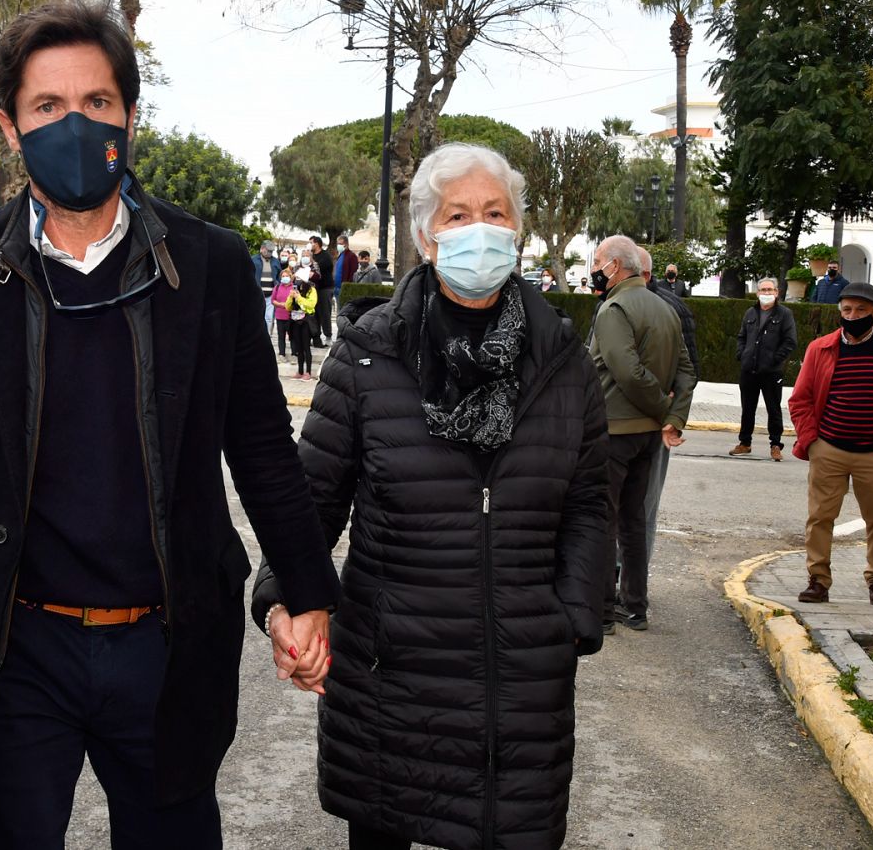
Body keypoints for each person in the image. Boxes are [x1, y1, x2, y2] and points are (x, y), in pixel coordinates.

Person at [0, 0, 340, 850]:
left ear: (129, 117)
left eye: (97, 104)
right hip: (10, 645)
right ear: (11, 127)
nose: (74, 125)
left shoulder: (211, 265)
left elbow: (262, 446)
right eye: (47, 107)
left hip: (165, 643)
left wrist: (306, 592)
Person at [252, 141, 610, 850]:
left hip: (520, 681)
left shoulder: (564, 360)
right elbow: (311, 500)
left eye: (495, 212)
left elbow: (591, 503)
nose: (480, 229)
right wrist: (285, 602)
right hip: (391, 679)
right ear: (425, 235)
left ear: (518, 229)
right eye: (457, 215)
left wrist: (570, 617)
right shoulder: (367, 356)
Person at [789, 282, 873, 606]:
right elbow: (800, 400)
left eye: (861, 310)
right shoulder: (820, 349)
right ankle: (818, 579)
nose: (853, 316)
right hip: (830, 449)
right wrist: (812, 442)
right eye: (847, 310)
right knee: (820, 517)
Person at [590, 235, 695, 632]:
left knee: (604, 520)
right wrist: (673, 417)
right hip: (648, 436)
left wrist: (665, 411)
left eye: (599, 262)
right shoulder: (663, 307)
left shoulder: (613, 308)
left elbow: (626, 371)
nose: (595, 269)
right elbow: (687, 370)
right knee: (634, 520)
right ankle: (636, 608)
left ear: (616, 266)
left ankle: (602, 612)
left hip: (615, 430)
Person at [636, 247, 697, 584]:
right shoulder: (609, 304)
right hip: (613, 423)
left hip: (654, 423)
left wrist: (673, 418)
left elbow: (690, 370)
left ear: (644, 275)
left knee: (645, 504)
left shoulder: (674, 308)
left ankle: (635, 581)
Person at [731, 278, 798, 461]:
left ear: (776, 292)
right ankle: (745, 443)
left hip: (772, 372)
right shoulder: (750, 313)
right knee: (748, 408)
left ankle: (775, 445)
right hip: (749, 369)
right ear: (757, 293)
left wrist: (774, 359)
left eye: (770, 290)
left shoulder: (784, 314)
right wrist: (742, 354)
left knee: (774, 409)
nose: (766, 293)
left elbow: (790, 341)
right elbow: (741, 336)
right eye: (763, 290)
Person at [286, 275, 318, 380]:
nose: (298, 281)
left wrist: (299, 298)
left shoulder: (311, 290)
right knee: (298, 348)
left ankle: (308, 372)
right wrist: (291, 297)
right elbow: (287, 306)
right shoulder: (294, 290)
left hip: (306, 321)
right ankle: (300, 371)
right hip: (295, 321)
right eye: (296, 279)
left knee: (306, 347)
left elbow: (311, 304)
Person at [310, 235, 333, 346]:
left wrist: (312, 262)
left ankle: (328, 336)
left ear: (317, 244)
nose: (310, 245)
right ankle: (316, 336)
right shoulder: (311, 256)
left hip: (324, 289)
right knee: (314, 314)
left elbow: (320, 268)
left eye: (311, 243)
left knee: (325, 313)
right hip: (313, 289)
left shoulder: (325, 256)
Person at [271, 265, 296, 358]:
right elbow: (273, 300)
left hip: (290, 316)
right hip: (279, 315)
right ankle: (282, 354)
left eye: (287, 276)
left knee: (292, 336)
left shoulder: (294, 288)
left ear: (290, 277)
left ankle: (294, 354)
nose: (285, 278)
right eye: (283, 276)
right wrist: (280, 304)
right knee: (281, 336)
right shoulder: (277, 287)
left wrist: (288, 305)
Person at [333, 234, 358, 300]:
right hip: (336, 288)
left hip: (344, 289)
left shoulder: (351, 256)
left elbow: (353, 273)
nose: (339, 245)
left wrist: (347, 287)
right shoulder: (340, 255)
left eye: (340, 243)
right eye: (338, 244)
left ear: (346, 244)